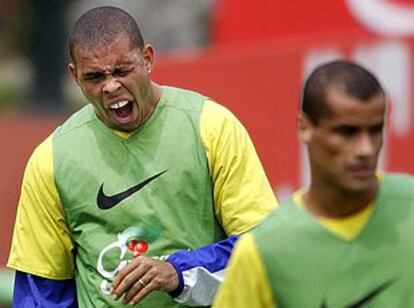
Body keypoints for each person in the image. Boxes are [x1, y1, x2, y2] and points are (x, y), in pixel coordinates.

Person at [7, 6, 278, 307]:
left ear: (147, 58)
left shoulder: (210, 125)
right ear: (75, 76)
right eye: (94, 77)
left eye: (122, 70)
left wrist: (178, 272)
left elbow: (261, 247)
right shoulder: (51, 159)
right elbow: (41, 292)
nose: (110, 86)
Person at [213, 60, 414, 307]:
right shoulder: (263, 250)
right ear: (304, 128)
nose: (366, 149)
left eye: (375, 131)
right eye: (347, 132)